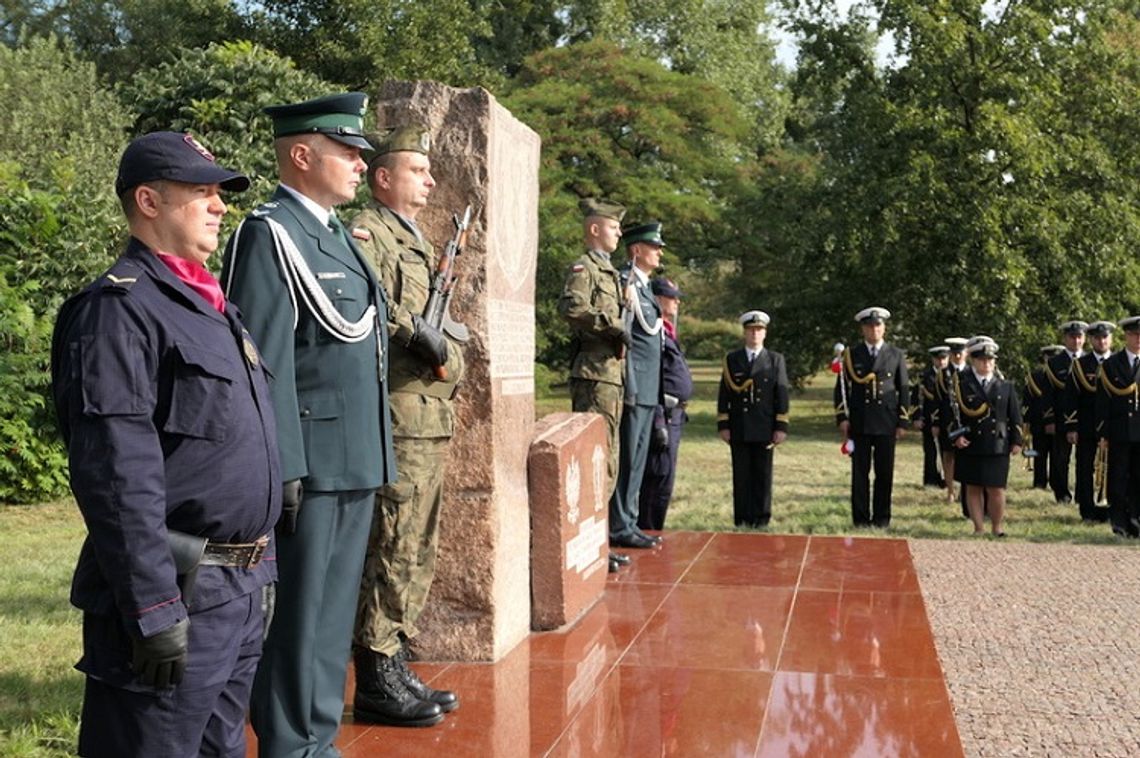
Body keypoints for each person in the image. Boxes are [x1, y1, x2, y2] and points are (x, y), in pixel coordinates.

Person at [51, 132, 280, 757]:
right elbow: (116, 472)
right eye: (201, 191)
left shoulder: (212, 308)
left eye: (220, 193)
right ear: (149, 201)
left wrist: (263, 572)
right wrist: (153, 607)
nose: (219, 205)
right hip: (177, 593)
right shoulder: (119, 311)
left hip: (238, 588)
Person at [221, 92, 399, 755]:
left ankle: (317, 737)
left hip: (354, 456)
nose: (360, 163)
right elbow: (258, 363)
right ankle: (292, 742)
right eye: (347, 151)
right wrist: (282, 465)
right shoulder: (268, 235)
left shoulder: (328, 234)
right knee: (299, 618)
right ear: (302, 155)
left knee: (329, 620)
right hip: (311, 465)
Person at [348, 125, 465, 726]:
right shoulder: (371, 233)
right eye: (418, 169)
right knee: (393, 543)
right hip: (399, 414)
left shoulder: (416, 239)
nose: (429, 179)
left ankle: (393, 657)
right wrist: (420, 334)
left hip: (428, 416)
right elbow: (369, 301)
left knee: (418, 544)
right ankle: (374, 673)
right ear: (384, 176)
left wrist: (446, 346)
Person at [558, 198, 633, 573]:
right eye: (613, 226)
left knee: (609, 459)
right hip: (593, 374)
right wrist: (612, 324)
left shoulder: (612, 272)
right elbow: (572, 309)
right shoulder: (584, 268)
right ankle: (590, 546)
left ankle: (600, 544)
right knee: (593, 459)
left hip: (611, 375)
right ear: (593, 229)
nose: (619, 232)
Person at [609, 221, 667, 549]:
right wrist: (629, 385)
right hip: (635, 386)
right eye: (653, 246)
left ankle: (628, 521)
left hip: (648, 387)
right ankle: (619, 525)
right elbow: (625, 340)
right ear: (636, 250)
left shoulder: (643, 286)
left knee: (639, 461)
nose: (658, 252)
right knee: (628, 458)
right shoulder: (625, 282)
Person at [834, 307, 908, 527]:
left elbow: (903, 389)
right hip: (860, 421)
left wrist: (903, 420)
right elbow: (841, 388)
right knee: (860, 473)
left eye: (878, 325)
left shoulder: (896, 355)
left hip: (886, 421)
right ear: (863, 329)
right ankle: (860, 519)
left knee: (884, 473)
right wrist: (842, 418)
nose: (874, 329)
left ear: (884, 328)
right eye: (869, 326)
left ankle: (882, 518)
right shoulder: (852, 355)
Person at [717, 310, 790, 527]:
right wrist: (723, 424)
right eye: (751, 330)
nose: (755, 334)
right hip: (739, 425)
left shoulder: (775, 360)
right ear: (744, 333)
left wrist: (781, 426)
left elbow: (781, 394)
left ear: (765, 333)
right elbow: (725, 394)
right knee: (741, 475)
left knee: (762, 475)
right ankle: (742, 518)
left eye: (759, 330)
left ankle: (761, 518)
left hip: (765, 426)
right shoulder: (733, 359)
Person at [951, 339, 1023, 536]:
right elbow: (953, 414)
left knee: (996, 488)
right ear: (973, 361)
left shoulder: (1005, 386)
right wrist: (956, 436)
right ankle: (978, 528)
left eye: (990, 360)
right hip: (971, 441)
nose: (987, 363)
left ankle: (997, 527)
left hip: (997, 443)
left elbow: (1014, 414)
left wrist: (1017, 440)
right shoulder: (962, 385)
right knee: (972, 487)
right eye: (982, 360)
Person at [637, 277, 693, 531]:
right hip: (664, 413)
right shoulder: (654, 332)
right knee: (657, 477)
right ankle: (647, 529)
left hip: (675, 414)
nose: (677, 301)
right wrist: (659, 417)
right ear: (658, 299)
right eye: (672, 296)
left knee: (666, 478)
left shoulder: (667, 331)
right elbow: (652, 378)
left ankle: (654, 529)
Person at [1094, 316, 1140, 538]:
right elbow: (1102, 402)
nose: (1138, 339)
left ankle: (1136, 520)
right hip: (1119, 430)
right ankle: (1119, 521)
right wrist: (1103, 432)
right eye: (1134, 334)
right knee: (1118, 477)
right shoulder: (1111, 364)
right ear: (1126, 336)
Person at [1064, 320, 1113, 523]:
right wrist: (1071, 426)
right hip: (1086, 424)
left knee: (1116, 468)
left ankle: (1114, 509)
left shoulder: (1118, 362)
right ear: (1091, 340)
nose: (1101, 341)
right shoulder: (1080, 365)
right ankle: (1087, 510)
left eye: (1105, 337)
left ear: (1110, 339)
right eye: (1097, 338)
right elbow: (1070, 397)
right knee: (1085, 468)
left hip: (1113, 425)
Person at [1042, 320, 1088, 504]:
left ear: (1084, 339)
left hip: (1085, 418)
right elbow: (1047, 394)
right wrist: (1049, 419)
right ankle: (1062, 493)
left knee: (1084, 460)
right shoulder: (1054, 363)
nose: (1076, 341)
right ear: (1065, 338)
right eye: (1072, 337)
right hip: (1061, 418)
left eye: (1079, 337)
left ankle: (1082, 494)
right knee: (1060, 459)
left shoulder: (1089, 360)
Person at [933, 337, 970, 501]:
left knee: (966, 457)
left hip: (968, 421)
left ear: (966, 354)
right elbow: (936, 400)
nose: (957, 356)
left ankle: (965, 490)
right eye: (954, 353)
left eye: (960, 353)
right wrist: (935, 422)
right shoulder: (943, 374)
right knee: (948, 456)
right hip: (948, 422)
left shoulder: (971, 372)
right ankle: (950, 491)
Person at [1023, 345, 1064, 490]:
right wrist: (1026, 421)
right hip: (1038, 421)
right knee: (1039, 454)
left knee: (1057, 456)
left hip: (1059, 421)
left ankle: (1056, 482)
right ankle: (1039, 482)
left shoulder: (1063, 374)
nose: (1051, 360)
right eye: (1049, 357)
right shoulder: (1035, 376)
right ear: (1044, 359)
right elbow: (1027, 400)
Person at [915, 346, 950, 488]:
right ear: (933, 360)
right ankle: (930, 479)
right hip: (928, 419)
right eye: (938, 359)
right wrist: (917, 417)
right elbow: (916, 398)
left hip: (947, 420)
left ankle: (947, 479)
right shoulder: (925, 376)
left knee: (946, 451)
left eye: (944, 358)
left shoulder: (952, 376)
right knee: (930, 451)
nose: (941, 362)